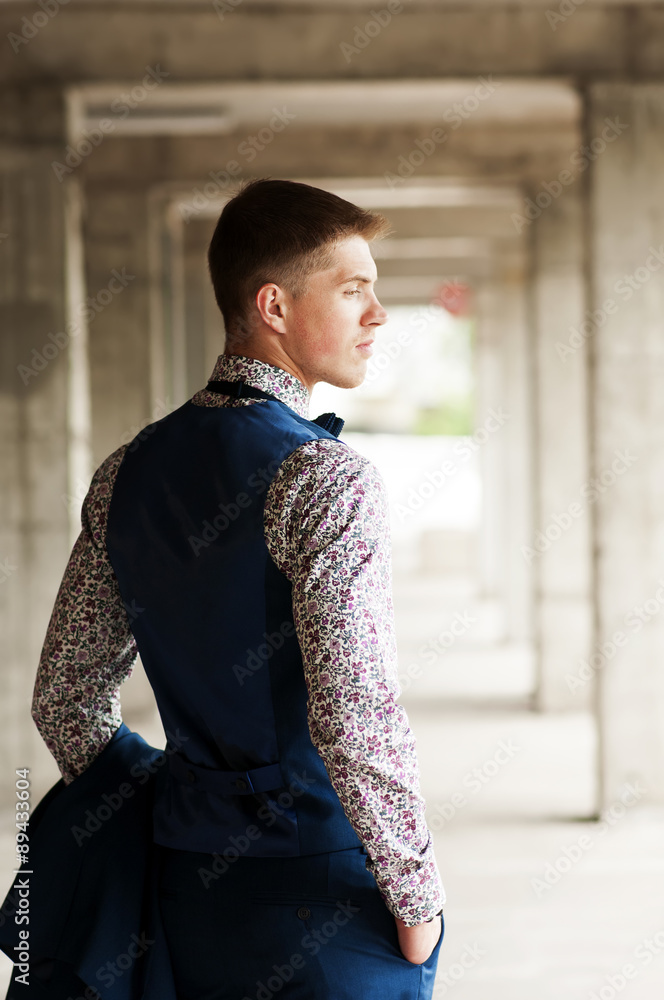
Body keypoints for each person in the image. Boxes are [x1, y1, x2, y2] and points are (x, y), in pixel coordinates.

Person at [30, 177, 445, 999]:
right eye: (354, 289)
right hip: (325, 890)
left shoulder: (126, 471)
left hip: (190, 893)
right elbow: (355, 715)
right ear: (274, 306)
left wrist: (181, 794)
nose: (379, 315)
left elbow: (64, 699)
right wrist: (418, 899)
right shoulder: (327, 479)